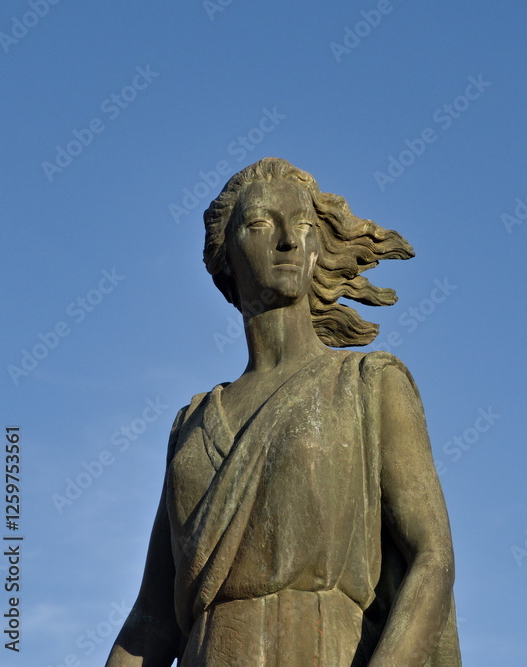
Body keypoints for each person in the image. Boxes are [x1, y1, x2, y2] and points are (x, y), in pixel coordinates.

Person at [106, 157, 461, 666]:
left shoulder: (368, 386)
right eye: (259, 225)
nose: (288, 242)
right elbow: (152, 620)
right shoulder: (192, 425)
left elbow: (433, 558)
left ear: (319, 246)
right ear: (223, 255)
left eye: (302, 227)